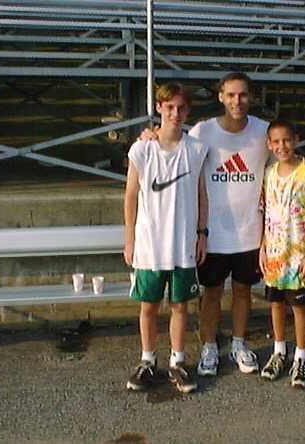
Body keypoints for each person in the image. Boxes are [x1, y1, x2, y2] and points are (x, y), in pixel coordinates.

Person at [140, 72, 270, 376]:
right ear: (221, 97)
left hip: (250, 232)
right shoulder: (203, 131)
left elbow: (285, 154)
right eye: (231, 95)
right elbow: (172, 142)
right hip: (213, 234)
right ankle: (209, 347)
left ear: (251, 97)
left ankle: (239, 344)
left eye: (243, 95)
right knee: (211, 293)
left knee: (242, 291)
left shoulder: (263, 132)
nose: (237, 101)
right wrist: (149, 135)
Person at [124, 82, 208, 394]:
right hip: (149, 245)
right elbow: (131, 196)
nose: (175, 113)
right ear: (159, 107)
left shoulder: (196, 149)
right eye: (169, 107)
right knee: (148, 306)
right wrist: (130, 238)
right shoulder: (141, 149)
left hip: (183, 244)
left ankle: (178, 361)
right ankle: (147, 360)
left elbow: (202, 196)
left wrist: (202, 234)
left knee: (180, 306)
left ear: (188, 111)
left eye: (181, 108)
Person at [259, 119, 305, 389]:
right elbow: (266, 213)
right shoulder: (269, 174)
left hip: (299, 255)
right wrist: (263, 246)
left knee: (299, 306)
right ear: (269, 144)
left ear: (296, 140)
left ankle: (301, 356)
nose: (282, 146)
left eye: (286, 140)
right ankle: (279, 351)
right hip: (275, 255)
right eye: (276, 142)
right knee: (276, 303)